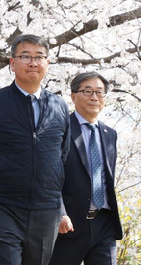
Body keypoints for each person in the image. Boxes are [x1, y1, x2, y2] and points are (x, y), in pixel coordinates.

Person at [0, 34, 70, 265]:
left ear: (47, 63)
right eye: (25, 56)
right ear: (12, 63)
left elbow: (62, 154)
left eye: (39, 57)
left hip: (45, 208)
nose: (33, 62)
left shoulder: (59, 106)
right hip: (3, 206)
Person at [49, 72, 122, 265]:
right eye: (88, 91)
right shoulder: (59, 130)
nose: (94, 97)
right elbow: (49, 175)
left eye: (100, 92)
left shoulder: (110, 134)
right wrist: (59, 212)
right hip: (68, 223)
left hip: (104, 223)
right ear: (73, 96)